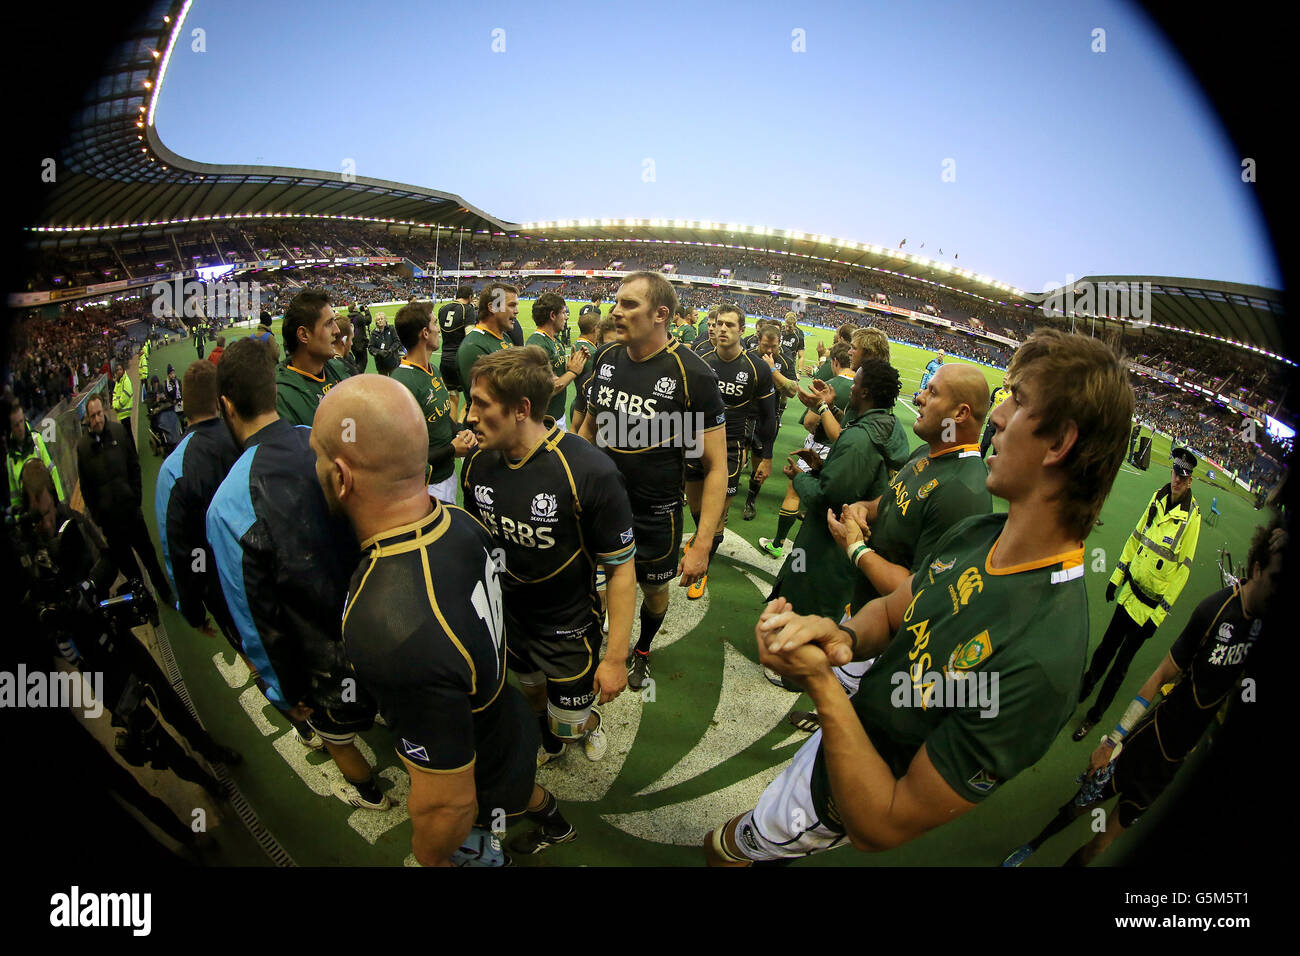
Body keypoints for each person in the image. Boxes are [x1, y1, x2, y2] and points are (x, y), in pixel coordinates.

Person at [704, 329, 1133, 865]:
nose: (995, 417)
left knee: (725, 848)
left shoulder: (1045, 657)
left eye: (1017, 400)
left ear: (1059, 443)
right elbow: (898, 606)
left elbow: (884, 822)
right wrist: (841, 639)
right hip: (844, 729)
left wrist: (821, 685)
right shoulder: (982, 534)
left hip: (842, 791)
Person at [312, 374, 576, 864]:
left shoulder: (389, 624)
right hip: (504, 720)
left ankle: (545, 823)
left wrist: (429, 857)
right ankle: (555, 821)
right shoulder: (459, 521)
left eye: (320, 456)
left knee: (485, 827)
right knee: (521, 793)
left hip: (474, 760)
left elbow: (447, 805)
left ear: (343, 476)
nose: (315, 467)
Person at [1004, 517, 1285, 867]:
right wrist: (1112, 740)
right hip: (1150, 737)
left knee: (1101, 844)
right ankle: (1033, 846)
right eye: (1276, 579)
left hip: (1172, 764)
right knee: (1083, 802)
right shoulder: (1215, 611)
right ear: (1257, 569)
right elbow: (1160, 676)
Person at [207, 337, 389, 810]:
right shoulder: (323, 441)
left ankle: (370, 792)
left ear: (226, 405)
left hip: (322, 655)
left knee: (336, 734)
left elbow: (255, 616)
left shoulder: (228, 504)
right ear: (272, 389)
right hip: (382, 620)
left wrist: (282, 690)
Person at [461, 347, 637, 770]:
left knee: (569, 721)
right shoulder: (476, 464)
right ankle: (547, 737)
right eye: (471, 402)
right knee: (530, 689)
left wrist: (615, 658)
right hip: (509, 617)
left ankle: (585, 723)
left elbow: (621, 567)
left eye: (481, 405)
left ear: (522, 409)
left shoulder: (589, 471)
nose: (468, 416)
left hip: (568, 625)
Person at [576, 272, 727, 689]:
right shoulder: (606, 358)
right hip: (601, 508)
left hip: (656, 514)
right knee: (595, 584)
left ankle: (641, 650)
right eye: (616, 302)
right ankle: (598, 647)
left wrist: (701, 543)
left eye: (629, 305)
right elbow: (588, 431)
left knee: (654, 592)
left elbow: (716, 466)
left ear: (661, 314)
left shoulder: (691, 374)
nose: (616, 311)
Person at [766, 359, 908, 629]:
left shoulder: (860, 439)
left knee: (806, 600)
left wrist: (801, 478)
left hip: (828, 544)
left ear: (865, 392)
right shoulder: (889, 426)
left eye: (855, 383)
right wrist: (824, 468)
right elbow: (857, 482)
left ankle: (792, 660)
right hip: (850, 545)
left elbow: (827, 498)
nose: (851, 388)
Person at [1072, 446, 1202, 740]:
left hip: (1148, 609)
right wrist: (1116, 576)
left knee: (1121, 666)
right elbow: (1136, 537)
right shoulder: (1157, 497)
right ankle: (1086, 686)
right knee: (1106, 647)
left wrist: (1159, 615)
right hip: (1129, 593)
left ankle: (1094, 716)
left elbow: (1183, 570)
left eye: (1183, 477)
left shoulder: (1192, 518)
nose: (1177, 480)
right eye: (1175, 473)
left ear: (1190, 480)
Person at [686, 303, 776, 599]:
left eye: (729, 325)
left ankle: (703, 568)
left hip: (730, 450)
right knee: (698, 510)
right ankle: (702, 541)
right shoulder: (700, 359)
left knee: (718, 516)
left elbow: (768, 416)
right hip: (695, 444)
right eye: (718, 324)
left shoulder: (757, 368)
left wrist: (767, 457)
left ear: (742, 330)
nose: (721, 329)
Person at [154, 360, 243, 648]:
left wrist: (193, 611)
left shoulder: (174, 470)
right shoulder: (244, 436)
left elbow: (179, 551)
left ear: (185, 405)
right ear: (219, 399)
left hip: (226, 593)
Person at [75, 393, 174, 611]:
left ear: (105, 412)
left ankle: (165, 593)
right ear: (87, 419)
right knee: (131, 572)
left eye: (99, 414)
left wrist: (135, 497)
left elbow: (134, 466)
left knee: (149, 558)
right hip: (111, 526)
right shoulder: (82, 449)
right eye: (92, 416)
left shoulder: (119, 431)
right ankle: (146, 605)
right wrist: (100, 518)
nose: (97, 419)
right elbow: (86, 489)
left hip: (132, 514)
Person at [759, 343, 855, 559]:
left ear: (835, 362)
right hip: (843, 449)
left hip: (820, 446)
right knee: (829, 500)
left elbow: (810, 421)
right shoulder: (860, 387)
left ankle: (778, 544)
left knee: (794, 490)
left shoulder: (831, 385)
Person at [391, 301, 477, 505]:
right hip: (426, 487)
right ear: (425, 333)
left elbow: (441, 418)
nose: (439, 328)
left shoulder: (433, 369)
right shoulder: (402, 383)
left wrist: (458, 431)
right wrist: (451, 450)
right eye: (435, 323)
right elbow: (401, 458)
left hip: (447, 477)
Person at [744, 324, 799, 521]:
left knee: (759, 464)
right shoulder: (746, 355)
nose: (769, 350)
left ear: (779, 343)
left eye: (773, 346)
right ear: (758, 340)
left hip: (766, 419)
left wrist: (772, 369)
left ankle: (750, 500)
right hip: (743, 416)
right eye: (766, 345)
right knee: (736, 460)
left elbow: (793, 391)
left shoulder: (784, 360)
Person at [274, 290, 351, 427]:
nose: (337, 330)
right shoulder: (281, 398)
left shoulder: (338, 369)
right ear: (304, 335)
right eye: (328, 323)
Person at [525, 291, 587, 431]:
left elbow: (556, 372)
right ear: (552, 315)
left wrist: (572, 363)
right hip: (543, 421)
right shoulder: (536, 345)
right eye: (563, 313)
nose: (566, 317)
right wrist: (573, 371)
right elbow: (546, 390)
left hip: (557, 416)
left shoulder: (555, 340)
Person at [456, 282, 517, 411]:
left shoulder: (504, 337)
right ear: (493, 307)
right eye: (511, 305)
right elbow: (486, 399)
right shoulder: (473, 346)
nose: (516, 311)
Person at [6, 397, 63, 511]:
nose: (20, 428)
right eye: (16, 425)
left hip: (48, 507)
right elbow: (15, 496)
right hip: (31, 514)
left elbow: (52, 471)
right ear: (11, 428)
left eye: (22, 421)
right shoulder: (10, 459)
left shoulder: (37, 440)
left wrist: (61, 502)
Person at [436, 285, 475, 420]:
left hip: (445, 359)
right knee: (472, 398)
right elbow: (470, 338)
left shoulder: (442, 309)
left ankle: (453, 430)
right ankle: (462, 425)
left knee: (452, 396)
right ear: (470, 297)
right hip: (461, 361)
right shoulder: (467, 310)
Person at [982, 375, 1010, 459]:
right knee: (985, 443)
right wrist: (983, 416)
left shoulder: (1014, 395)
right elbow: (989, 405)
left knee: (996, 448)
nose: (1004, 380)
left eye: (1006, 379)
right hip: (992, 421)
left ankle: (992, 467)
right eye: (1004, 379)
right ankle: (979, 461)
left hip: (1003, 424)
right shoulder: (997, 390)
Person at [368, 312, 402, 376]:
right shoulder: (374, 333)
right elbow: (370, 348)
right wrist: (379, 352)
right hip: (381, 365)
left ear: (385, 320)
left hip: (393, 361)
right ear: (376, 322)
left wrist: (390, 350)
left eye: (381, 319)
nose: (380, 320)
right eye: (378, 319)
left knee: (394, 382)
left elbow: (397, 341)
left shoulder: (391, 329)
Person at [111, 363, 134, 438]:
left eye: (120, 369)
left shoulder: (126, 381)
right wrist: (114, 404)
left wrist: (117, 406)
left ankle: (132, 450)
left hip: (125, 413)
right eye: (117, 370)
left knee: (128, 435)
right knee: (126, 435)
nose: (119, 371)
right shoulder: (118, 382)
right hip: (121, 414)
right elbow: (114, 394)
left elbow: (126, 395)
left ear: (123, 370)